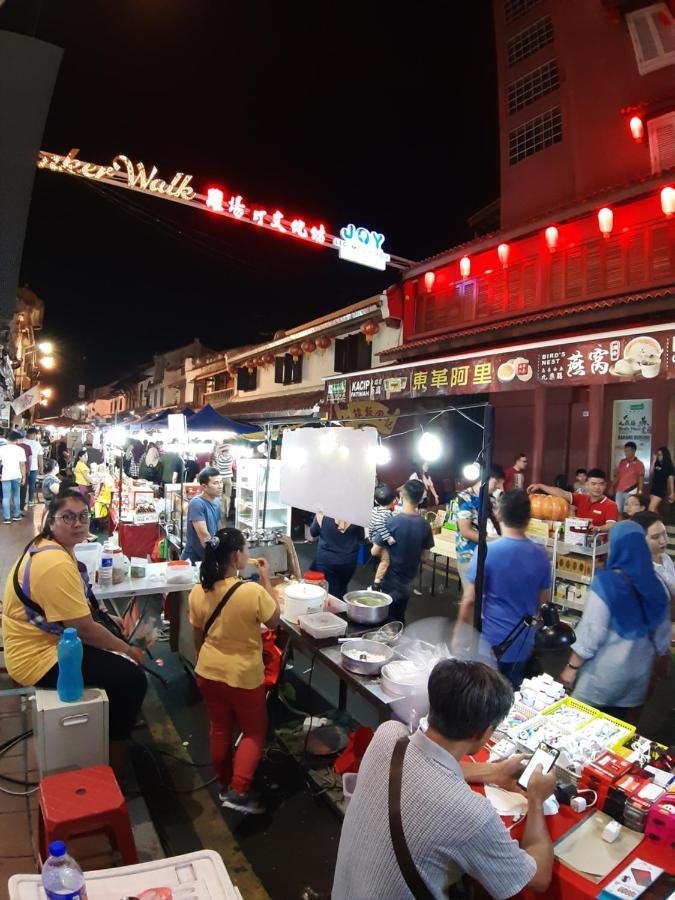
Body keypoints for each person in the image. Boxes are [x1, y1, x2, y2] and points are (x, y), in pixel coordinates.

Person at [332, 659, 554, 899]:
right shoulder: (472, 816)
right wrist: (537, 800)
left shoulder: (388, 736)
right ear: (483, 733)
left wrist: (493, 772)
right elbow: (538, 879)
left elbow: (426, 767)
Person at [1, 488, 147, 746]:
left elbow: (77, 612)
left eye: (83, 516)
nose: (77, 523)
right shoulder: (55, 562)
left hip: (46, 642)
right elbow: (84, 630)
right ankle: (113, 748)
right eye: (67, 517)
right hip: (37, 657)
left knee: (113, 640)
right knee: (132, 677)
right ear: (51, 520)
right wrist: (128, 651)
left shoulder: (49, 547)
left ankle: (109, 722)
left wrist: (104, 617)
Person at [188, 528, 280, 815]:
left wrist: (205, 658)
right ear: (237, 555)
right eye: (246, 549)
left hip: (208, 671)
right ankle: (239, 791)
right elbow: (275, 620)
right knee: (253, 732)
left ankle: (224, 785)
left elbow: (197, 635)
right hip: (243, 676)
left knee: (219, 728)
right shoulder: (251, 592)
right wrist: (266, 577)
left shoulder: (198, 590)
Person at [560, 520, 671, 724]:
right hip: (636, 682)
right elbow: (663, 637)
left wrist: (571, 668)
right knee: (616, 733)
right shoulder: (658, 586)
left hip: (602, 679)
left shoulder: (607, 584)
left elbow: (591, 632)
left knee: (580, 730)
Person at [455, 490, 552, 689]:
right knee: (510, 694)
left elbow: (470, 600)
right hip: (523, 642)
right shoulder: (541, 555)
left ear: (498, 514)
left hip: (491, 641)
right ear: (528, 518)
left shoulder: (489, 551)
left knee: (483, 695)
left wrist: (459, 633)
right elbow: (542, 603)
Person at [372, 479, 434, 621]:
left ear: (402, 497)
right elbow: (425, 557)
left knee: (385, 617)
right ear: (420, 499)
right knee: (399, 615)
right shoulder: (425, 525)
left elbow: (374, 551)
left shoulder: (391, 522)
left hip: (389, 580)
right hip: (408, 580)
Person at [455, 465, 504, 587]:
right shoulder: (465, 498)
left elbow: (500, 521)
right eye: (496, 482)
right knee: (472, 598)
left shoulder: (492, 499)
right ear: (486, 479)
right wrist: (493, 541)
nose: (498, 486)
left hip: (489, 556)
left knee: (485, 597)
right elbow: (465, 531)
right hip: (469, 557)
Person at [528, 467, 618, 532]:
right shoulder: (581, 498)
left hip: (597, 547)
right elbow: (562, 493)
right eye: (593, 484)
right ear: (587, 485)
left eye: (601, 484)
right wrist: (540, 486)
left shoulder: (611, 505)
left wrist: (597, 528)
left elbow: (611, 525)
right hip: (576, 541)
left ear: (605, 485)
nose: (597, 487)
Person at [309, 513, 364, 599]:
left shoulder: (323, 514)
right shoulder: (355, 517)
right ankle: (342, 609)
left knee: (331, 594)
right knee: (342, 589)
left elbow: (313, 532)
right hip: (348, 560)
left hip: (326, 560)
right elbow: (361, 537)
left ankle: (335, 611)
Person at [634, 511, 675, 618]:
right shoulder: (638, 571)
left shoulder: (666, 558)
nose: (664, 541)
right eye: (656, 537)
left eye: (664, 533)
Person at [181, 467, 223, 563]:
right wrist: (218, 556)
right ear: (204, 486)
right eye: (215, 483)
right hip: (193, 560)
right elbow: (204, 535)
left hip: (207, 557)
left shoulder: (216, 501)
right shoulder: (197, 503)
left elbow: (219, 526)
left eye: (221, 482)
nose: (220, 486)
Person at [369, 482, 397, 590]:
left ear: (376, 500)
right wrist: (389, 538)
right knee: (386, 561)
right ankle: (376, 583)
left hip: (372, 538)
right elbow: (381, 525)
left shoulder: (375, 510)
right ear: (394, 500)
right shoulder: (386, 513)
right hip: (379, 543)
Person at [0, 430, 27, 523]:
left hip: (5, 475)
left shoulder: (1, 449)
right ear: (17, 439)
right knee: (16, 496)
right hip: (17, 475)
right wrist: (24, 477)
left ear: (7, 438)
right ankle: (16, 515)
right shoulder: (20, 450)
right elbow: (22, 465)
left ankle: (7, 518)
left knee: (6, 497)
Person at [612, 441, 645, 515]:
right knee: (617, 510)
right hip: (619, 490)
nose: (625, 453)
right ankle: (620, 525)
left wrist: (640, 490)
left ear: (633, 451)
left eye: (628, 451)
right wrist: (612, 486)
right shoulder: (622, 462)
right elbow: (618, 476)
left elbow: (641, 478)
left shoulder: (639, 464)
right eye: (625, 451)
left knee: (628, 511)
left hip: (631, 491)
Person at [211, 441, 235, 522]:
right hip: (228, 479)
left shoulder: (219, 457)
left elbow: (216, 451)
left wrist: (219, 448)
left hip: (220, 479)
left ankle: (221, 512)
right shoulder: (231, 457)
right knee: (228, 496)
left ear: (222, 451)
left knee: (220, 497)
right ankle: (227, 513)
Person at [648, 446, 675, 512]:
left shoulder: (669, 466)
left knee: (651, 509)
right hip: (653, 488)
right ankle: (659, 522)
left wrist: (672, 492)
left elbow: (671, 480)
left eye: (660, 455)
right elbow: (651, 472)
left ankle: (657, 522)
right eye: (658, 455)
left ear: (665, 455)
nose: (659, 457)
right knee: (654, 509)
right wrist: (654, 460)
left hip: (661, 489)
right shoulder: (657, 463)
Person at [24, 427, 44, 506]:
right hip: (33, 467)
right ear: (34, 434)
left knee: (23, 484)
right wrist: (41, 468)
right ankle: (30, 500)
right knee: (32, 484)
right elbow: (40, 458)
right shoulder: (37, 444)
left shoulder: (23, 442)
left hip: (23, 467)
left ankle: (23, 500)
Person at [17, 432, 33, 514]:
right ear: (24, 438)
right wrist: (29, 469)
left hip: (15, 471)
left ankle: (15, 508)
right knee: (23, 490)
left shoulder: (14, 447)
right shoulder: (27, 447)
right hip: (24, 471)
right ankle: (21, 507)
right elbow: (30, 460)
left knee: (14, 491)